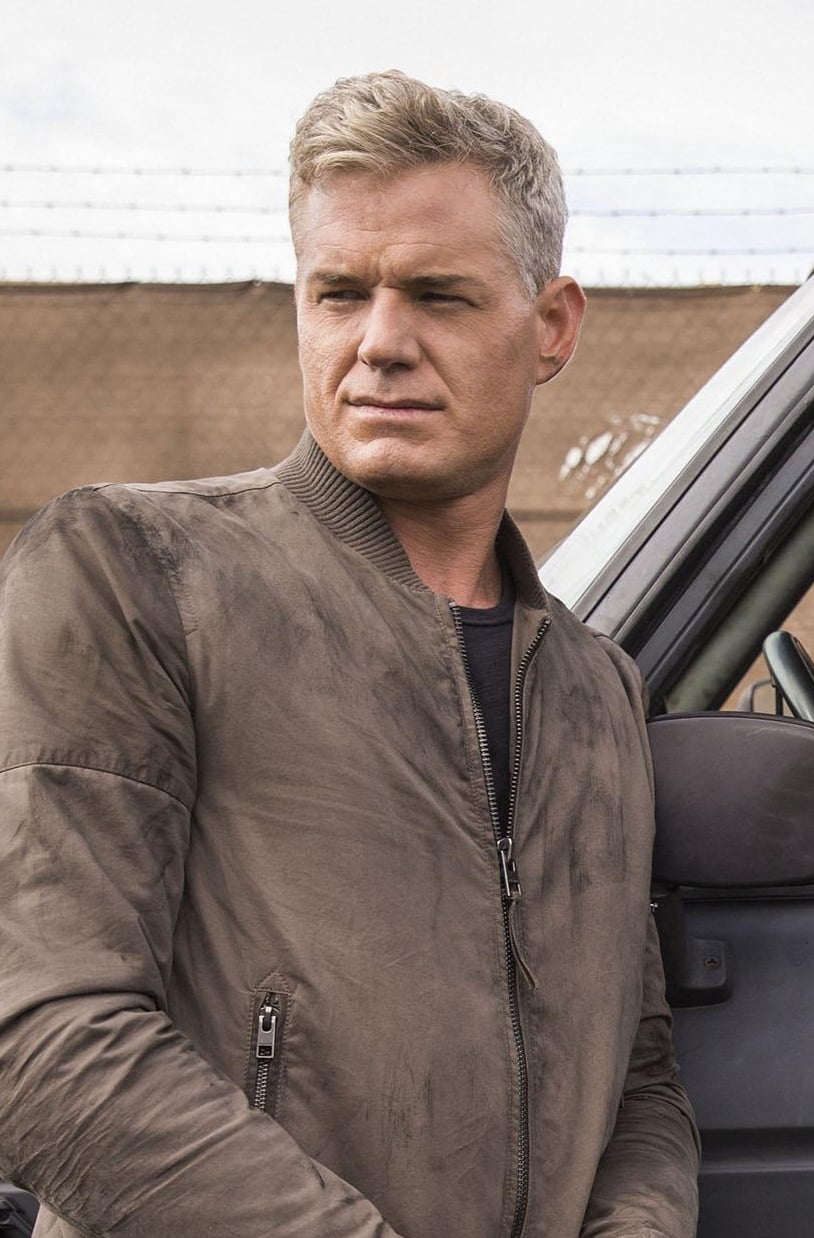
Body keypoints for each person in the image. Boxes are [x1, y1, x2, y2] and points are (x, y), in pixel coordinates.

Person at [0, 72, 698, 1235]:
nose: (379, 344)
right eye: (338, 293)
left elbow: (639, 1071)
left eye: (437, 296)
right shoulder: (132, 572)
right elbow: (43, 1030)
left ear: (552, 327)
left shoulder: (597, 688)